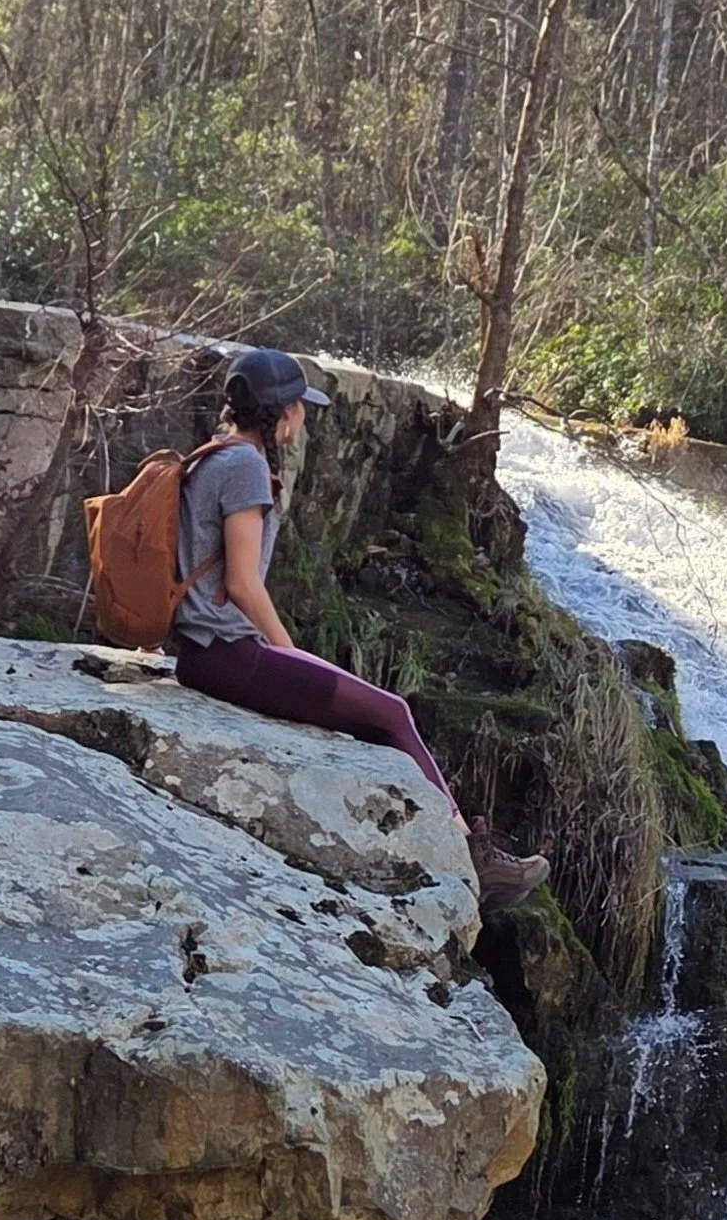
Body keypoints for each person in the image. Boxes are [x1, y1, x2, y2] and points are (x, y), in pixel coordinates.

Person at [171, 346, 549, 914]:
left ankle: (457, 842)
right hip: (226, 652)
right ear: (280, 413)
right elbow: (245, 584)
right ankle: (473, 857)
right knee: (392, 712)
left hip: (203, 650)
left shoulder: (213, 455)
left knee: (372, 716)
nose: (302, 418)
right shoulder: (245, 465)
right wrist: (289, 653)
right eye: (298, 407)